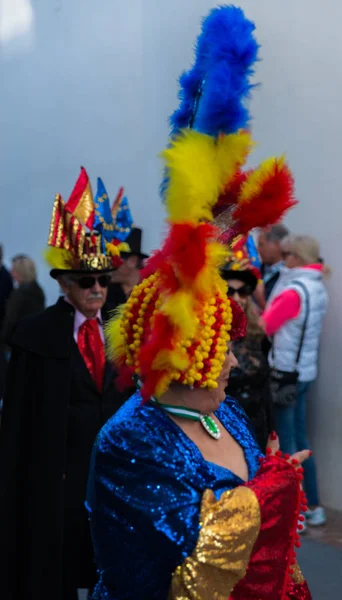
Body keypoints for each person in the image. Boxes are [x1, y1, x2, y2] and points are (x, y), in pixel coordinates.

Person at [87, 7, 311, 598]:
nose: (235, 363)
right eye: (221, 352)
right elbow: (189, 572)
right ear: (181, 356)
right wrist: (276, 490)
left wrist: (276, 470)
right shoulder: (129, 439)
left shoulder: (223, 413)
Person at [0, 171, 130, 600]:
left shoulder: (119, 329)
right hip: (55, 474)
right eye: (86, 281)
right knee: (54, 565)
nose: (97, 289)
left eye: (103, 281)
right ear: (64, 283)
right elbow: (18, 416)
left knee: (105, 563)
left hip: (109, 473)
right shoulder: (36, 334)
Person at [260, 234, 329, 528]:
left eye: (287, 254)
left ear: (298, 258)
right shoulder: (317, 287)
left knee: (289, 445)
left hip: (286, 374)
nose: (283, 259)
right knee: (301, 439)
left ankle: (296, 510)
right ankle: (313, 504)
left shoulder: (294, 291)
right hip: (304, 374)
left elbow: (266, 324)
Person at [222, 237, 273, 451]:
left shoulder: (256, 332)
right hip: (225, 431)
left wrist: (272, 432)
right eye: (229, 291)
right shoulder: (210, 335)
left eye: (242, 291)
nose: (237, 298)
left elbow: (265, 390)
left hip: (257, 427)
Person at [1, 254, 45, 346]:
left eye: (14, 270)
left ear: (20, 272)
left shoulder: (19, 293)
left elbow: (10, 320)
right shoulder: (38, 290)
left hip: (16, 342)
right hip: (34, 340)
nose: (11, 273)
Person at [106, 227, 148, 311]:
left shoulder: (152, 292)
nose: (108, 266)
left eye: (114, 260)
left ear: (133, 261)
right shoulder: (104, 295)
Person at [258, 224, 290, 301]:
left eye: (261, 244)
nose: (258, 249)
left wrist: (259, 295)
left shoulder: (289, 276)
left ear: (277, 245)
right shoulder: (256, 270)